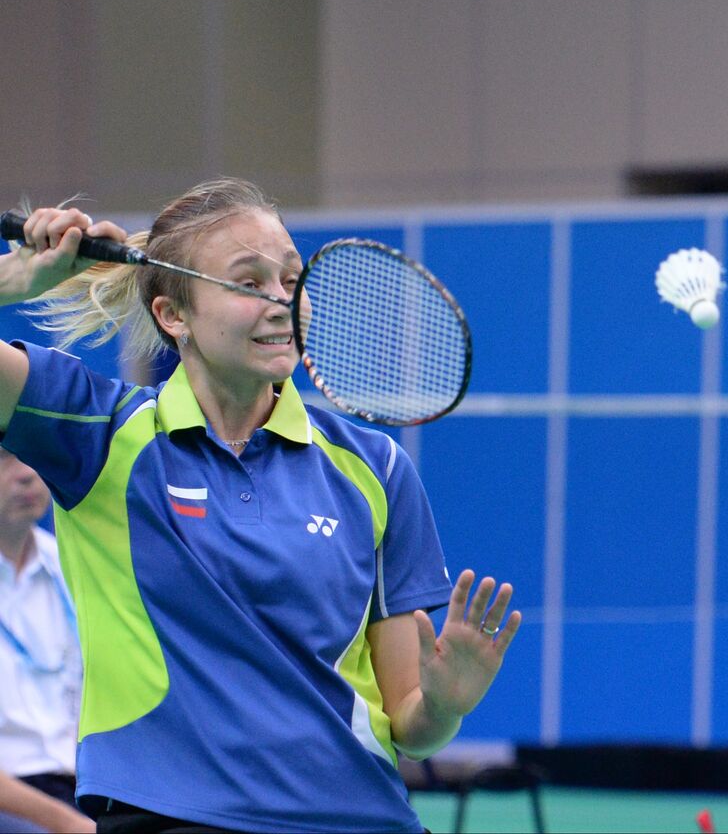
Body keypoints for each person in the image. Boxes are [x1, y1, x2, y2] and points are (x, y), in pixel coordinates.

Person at [0, 180, 523, 832]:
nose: (282, 302)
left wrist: (445, 705)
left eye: (292, 278)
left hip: (358, 818)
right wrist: (11, 284)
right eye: (249, 283)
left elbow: (411, 727)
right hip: (170, 816)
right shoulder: (98, 433)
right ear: (174, 315)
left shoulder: (375, 470)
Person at [0, 448, 93, 833]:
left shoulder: (72, 565)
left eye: (31, 455)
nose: (26, 475)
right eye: (5, 459)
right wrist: (68, 825)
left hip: (83, 789)